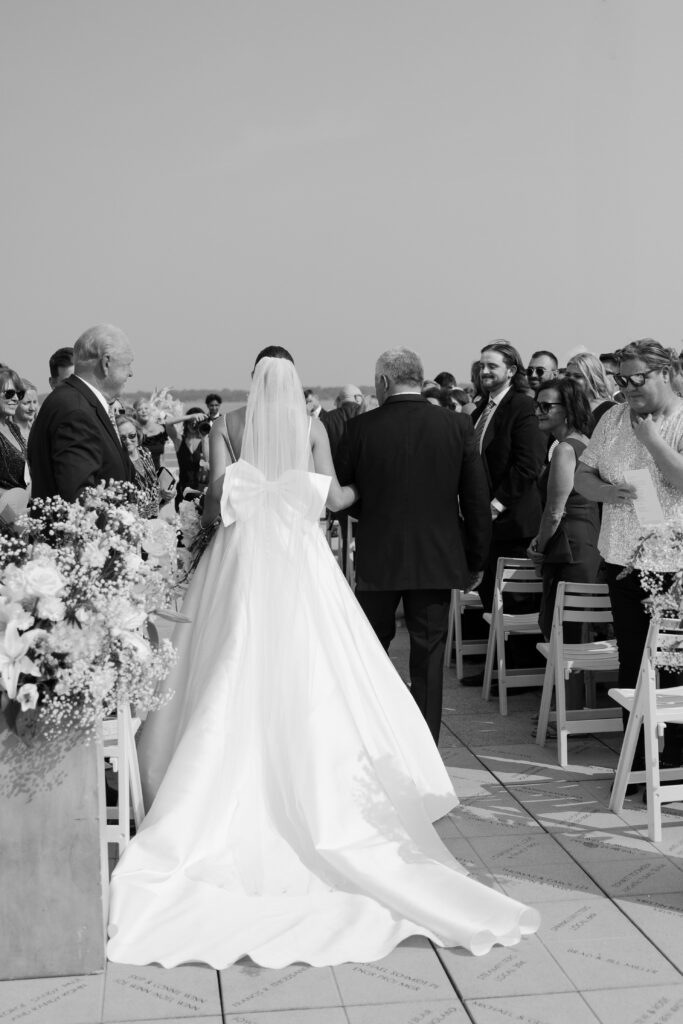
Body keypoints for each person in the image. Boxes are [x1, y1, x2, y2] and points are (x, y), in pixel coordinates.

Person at [106, 347, 538, 969]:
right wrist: (361, 489)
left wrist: (239, 500)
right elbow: (334, 500)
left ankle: (196, 784)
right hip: (299, 555)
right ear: (295, 384)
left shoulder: (227, 423)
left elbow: (213, 500)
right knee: (331, 661)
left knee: (227, 654)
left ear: (253, 381)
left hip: (240, 558)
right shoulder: (312, 426)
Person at [337, 348, 492, 741]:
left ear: (384, 382)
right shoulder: (457, 425)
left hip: (378, 555)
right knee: (429, 656)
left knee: (371, 651)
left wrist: (372, 517)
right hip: (436, 557)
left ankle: (374, 734)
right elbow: (475, 500)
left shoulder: (360, 429)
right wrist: (475, 558)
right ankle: (425, 746)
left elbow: (342, 496)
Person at [575, 339, 683, 778]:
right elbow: (584, 472)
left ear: (664, 372)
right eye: (621, 379)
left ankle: (675, 765)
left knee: (673, 667)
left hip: (672, 568)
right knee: (631, 662)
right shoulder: (615, 418)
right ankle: (637, 765)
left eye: (637, 378)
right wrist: (603, 491)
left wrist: (654, 442)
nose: (628, 387)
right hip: (621, 559)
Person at [527, 377, 601, 641]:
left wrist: (539, 548)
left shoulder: (565, 449)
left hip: (568, 549)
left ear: (568, 408)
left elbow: (555, 511)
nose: (538, 411)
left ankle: (566, 684)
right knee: (575, 633)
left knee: (564, 636)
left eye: (546, 406)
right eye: (537, 405)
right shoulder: (586, 442)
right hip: (585, 543)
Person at [28, 324, 135, 501]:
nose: (131, 373)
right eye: (127, 364)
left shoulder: (74, 401)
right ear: (106, 363)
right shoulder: (75, 411)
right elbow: (78, 497)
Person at [116, 414, 174, 518]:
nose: (128, 441)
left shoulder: (145, 452)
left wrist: (166, 494)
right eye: (122, 438)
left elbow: (153, 484)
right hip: (136, 522)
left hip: (156, 515)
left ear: (138, 434)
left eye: (132, 436)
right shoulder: (119, 462)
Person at [0, 368, 30, 527]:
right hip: (6, 517)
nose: (16, 399)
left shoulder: (13, 428)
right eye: (9, 393)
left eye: (20, 393)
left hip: (22, 512)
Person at [564, 352, 615, 429]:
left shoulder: (610, 410)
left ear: (593, 379)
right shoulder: (564, 410)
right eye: (567, 375)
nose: (570, 379)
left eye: (577, 376)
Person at [172, 407, 210, 508]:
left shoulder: (206, 440)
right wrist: (190, 416)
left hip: (201, 491)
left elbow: (208, 460)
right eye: (191, 421)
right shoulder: (179, 440)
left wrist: (204, 436)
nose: (193, 423)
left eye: (196, 422)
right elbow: (168, 423)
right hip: (183, 489)